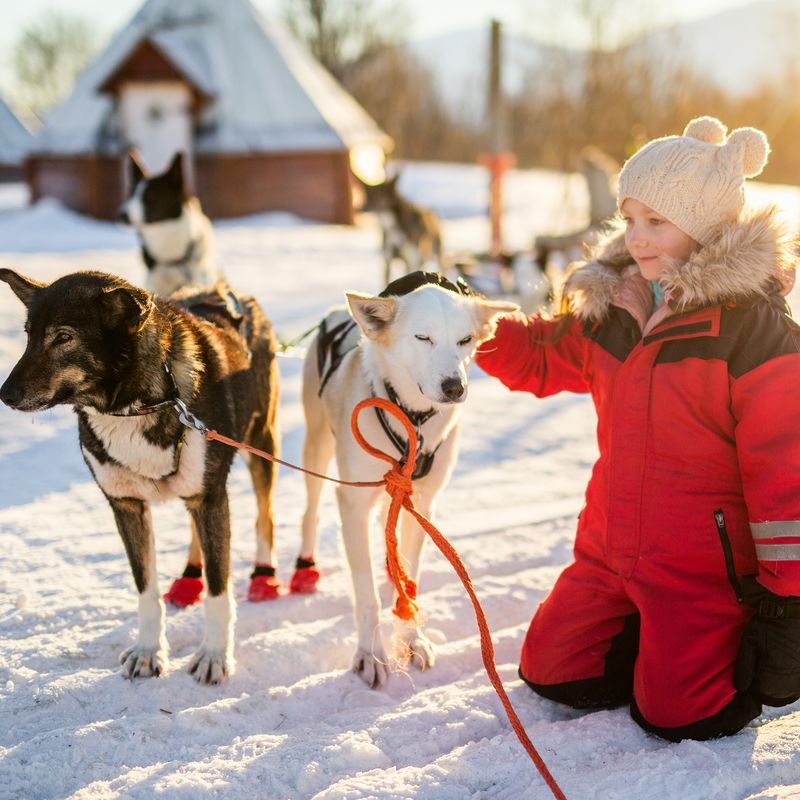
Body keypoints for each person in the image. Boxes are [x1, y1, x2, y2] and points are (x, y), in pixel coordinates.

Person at [475, 117, 800, 741]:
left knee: (678, 715)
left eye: (657, 222)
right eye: (629, 219)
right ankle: (650, 642)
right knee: (550, 669)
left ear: (705, 229)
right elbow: (542, 355)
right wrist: (463, 317)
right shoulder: (618, 306)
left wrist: (786, 603)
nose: (637, 238)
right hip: (609, 549)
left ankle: (709, 648)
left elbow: (784, 474)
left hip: (700, 566)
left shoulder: (751, 333)